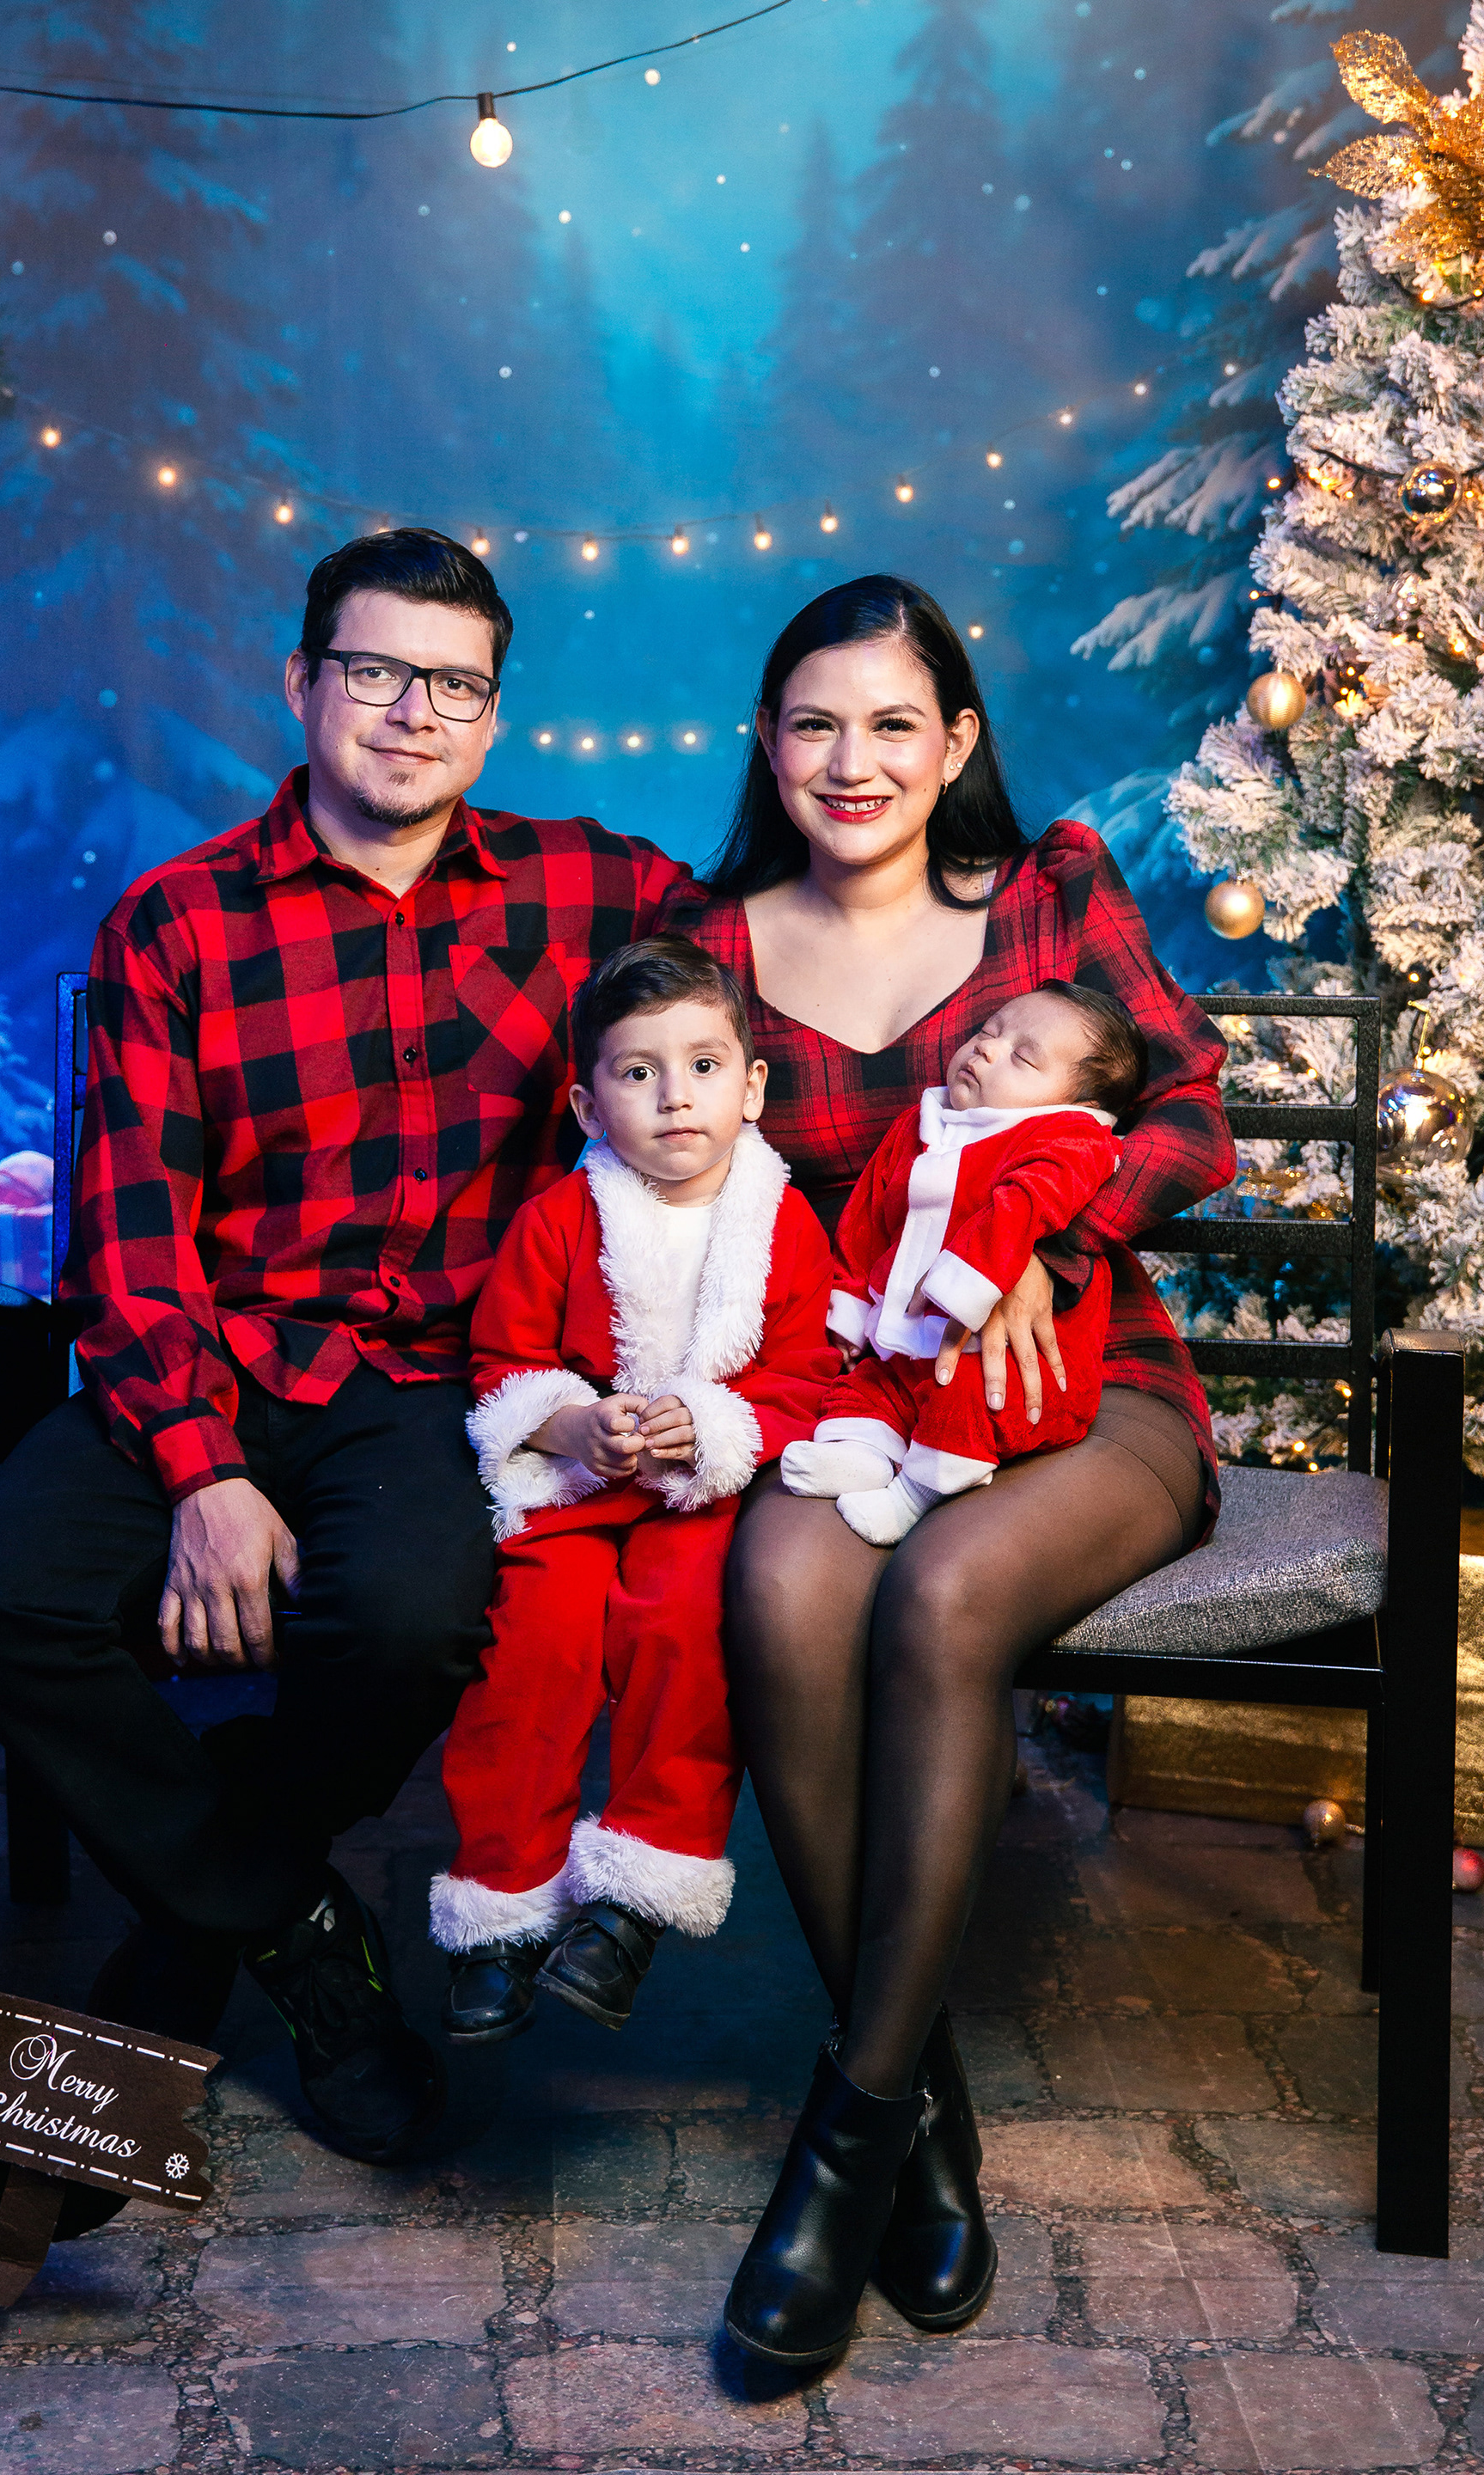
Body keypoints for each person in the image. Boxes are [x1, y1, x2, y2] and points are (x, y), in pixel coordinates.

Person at [0, 529, 693, 2172]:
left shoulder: (591, 891)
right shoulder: (181, 921)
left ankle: (202, 1933)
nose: (415, 713)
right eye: (377, 670)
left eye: (456, 685)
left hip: (429, 1388)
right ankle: (304, 1934)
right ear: (302, 681)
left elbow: (786, 940)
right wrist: (204, 1475)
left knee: (414, 1618)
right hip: (211, 1352)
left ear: (494, 717)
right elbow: (127, 1241)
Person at [669, 575, 1234, 2367]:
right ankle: (919, 2102)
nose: (854, 761)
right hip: (867, 1396)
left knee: (943, 1596)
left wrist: (1057, 1241)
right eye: (815, 723)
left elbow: (1190, 1111)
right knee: (778, 1592)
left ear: (957, 740)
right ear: (768, 742)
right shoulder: (715, 942)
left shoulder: (1047, 893)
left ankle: (842, 2143)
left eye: (895, 723)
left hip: (1086, 1390)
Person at [433, 938, 834, 2044]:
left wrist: (712, 1421)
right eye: (638, 1072)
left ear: (752, 1086)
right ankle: (501, 1908)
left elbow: (809, 1376)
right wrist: (570, 1422)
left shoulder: (782, 1223)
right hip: (578, 1493)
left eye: (704, 1066)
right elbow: (504, 1364)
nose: (675, 1097)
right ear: (586, 1103)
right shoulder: (559, 1220)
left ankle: (637, 1897)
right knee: (535, 1646)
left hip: (704, 1498)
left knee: (688, 1633)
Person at [785, 982, 1145, 1544]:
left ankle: (917, 1493)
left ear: (1075, 1103)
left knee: (971, 1397)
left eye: (1022, 1058)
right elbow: (868, 1217)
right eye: (988, 1031)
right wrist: (852, 1305)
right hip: (905, 1343)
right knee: (869, 1386)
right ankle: (859, 1453)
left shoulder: (1068, 1139)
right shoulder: (922, 1124)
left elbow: (1023, 1205)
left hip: (1012, 1359)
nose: (986, 1049)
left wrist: (966, 1284)